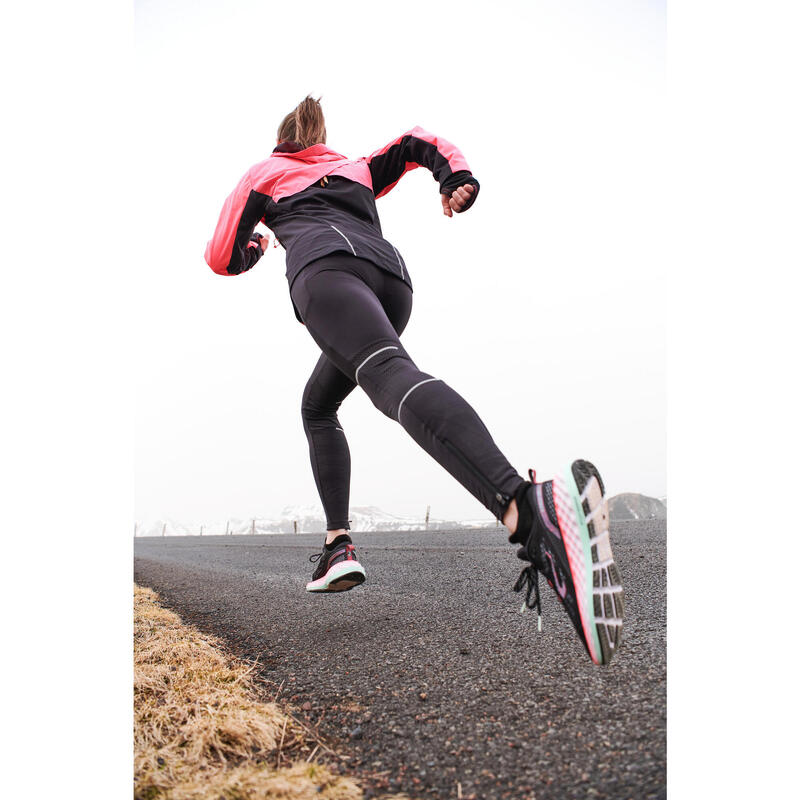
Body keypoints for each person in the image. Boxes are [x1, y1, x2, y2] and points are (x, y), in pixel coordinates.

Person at [205, 96, 624, 666]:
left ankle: (527, 508)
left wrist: (256, 245)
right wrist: (455, 177)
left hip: (326, 273)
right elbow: (413, 140)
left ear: (282, 141)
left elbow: (220, 255)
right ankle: (337, 545)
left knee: (389, 377)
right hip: (388, 282)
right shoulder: (352, 166)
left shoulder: (264, 172)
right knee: (319, 405)